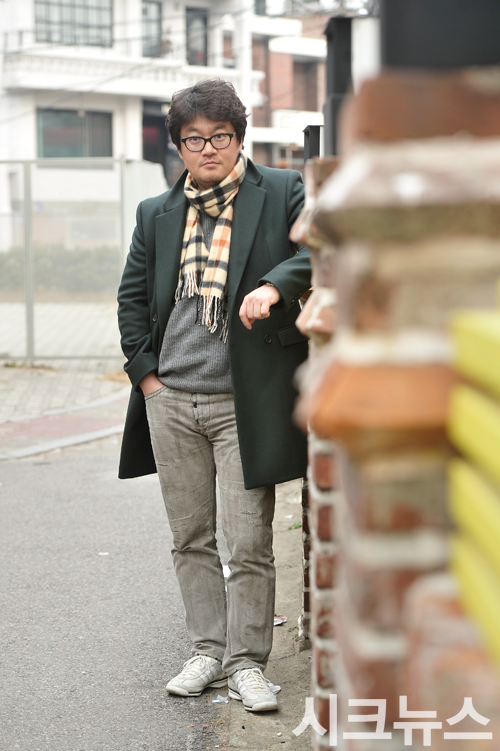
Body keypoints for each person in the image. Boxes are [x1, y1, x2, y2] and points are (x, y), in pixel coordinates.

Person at [117, 79, 311, 713]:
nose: (208, 149)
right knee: (191, 537)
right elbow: (132, 299)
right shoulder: (156, 212)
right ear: (178, 146)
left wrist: (276, 286)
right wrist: (148, 378)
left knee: (248, 541)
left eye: (220, 137)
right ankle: (207, 650)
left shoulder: (280, 190)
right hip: (171, 399)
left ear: (238, 138)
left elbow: (318, 250)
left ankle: (247, 663)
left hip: (243, 402)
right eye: (194, 139)